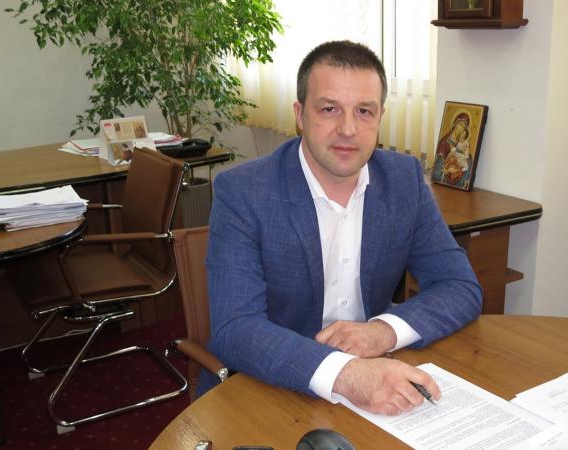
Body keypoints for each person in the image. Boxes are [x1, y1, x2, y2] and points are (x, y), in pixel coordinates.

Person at [202, 40, 482, 416]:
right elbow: (235, 327)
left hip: (377, 377)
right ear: (300, 114)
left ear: (380, 116)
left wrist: (382, 331)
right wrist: (346, 374)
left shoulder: (403, 180)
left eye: (364, 111)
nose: (348, 129)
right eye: (329, 109)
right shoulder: (244, 192)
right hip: (269, 385)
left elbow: (460, 286)